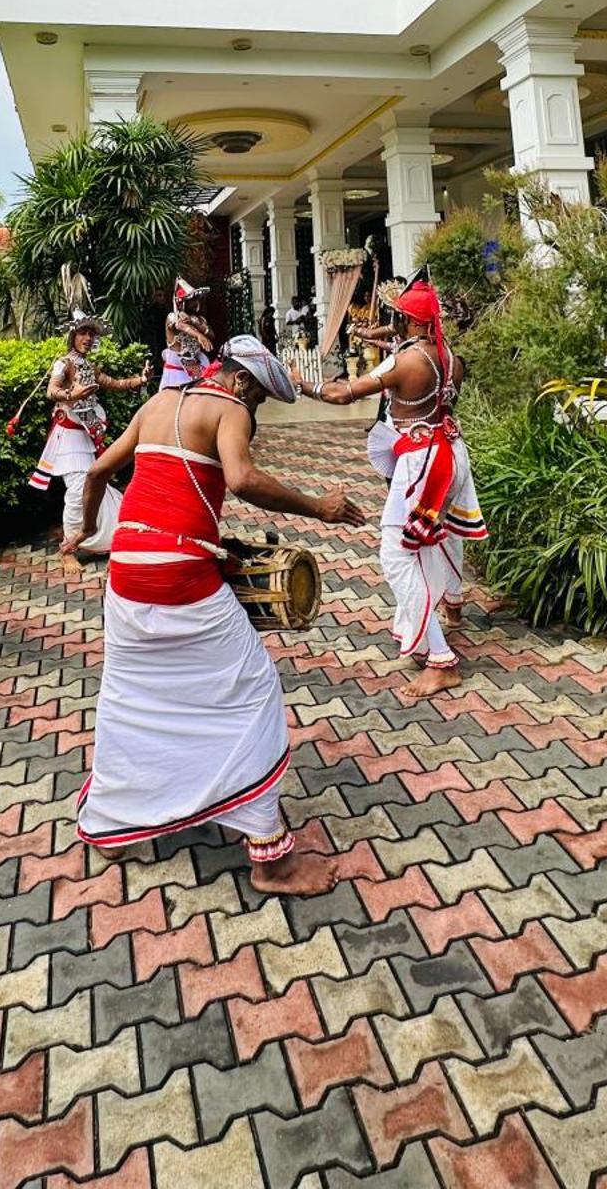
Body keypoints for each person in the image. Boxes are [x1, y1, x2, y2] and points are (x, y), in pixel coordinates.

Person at [74, 335, 364, 894]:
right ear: (242, 381)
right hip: (180, 575)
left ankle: (112, 827)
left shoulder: (156, 404)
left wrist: (87, 531)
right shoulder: (230, 407)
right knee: (252, 692)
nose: (252, 412)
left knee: (132, 696)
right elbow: (242, 479)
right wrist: (317, 507)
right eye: (256, 400)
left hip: (126, 573)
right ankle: (271, 860)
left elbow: (95, 475)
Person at [293, 274, 483, 694]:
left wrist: (303, 384)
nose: (392, 318)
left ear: (410, 320)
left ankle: (440, 659)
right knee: (432, 542)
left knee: (397, 553)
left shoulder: (408, 360)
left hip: (422, 463)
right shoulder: (451, 356)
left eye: (397, 314)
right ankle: (440, 610)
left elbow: (344, 394)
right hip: (451, 453)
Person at [33, 312, 150, 559]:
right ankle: (68, 549)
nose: (87, 338)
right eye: (82, 333)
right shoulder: (64, 363)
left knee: (95, 485)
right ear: (72, 336)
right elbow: (51, 390)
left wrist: (140, 379)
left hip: (87, 436)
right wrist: (70, 396)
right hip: (69, 439)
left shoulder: (89, 366)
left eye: (91, 333)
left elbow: (114, 383)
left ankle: (103, 533)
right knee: (76, 491)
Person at [160, 278, 214, 390]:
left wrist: (197, 324)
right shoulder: (172, 317)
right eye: (192, 301)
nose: (196, 303)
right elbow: (181, 326)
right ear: (182, 302)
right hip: (177, 367)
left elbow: (212, 335)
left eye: (197, 300)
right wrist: (198, 335)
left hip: (197, 362)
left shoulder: (199, 319)